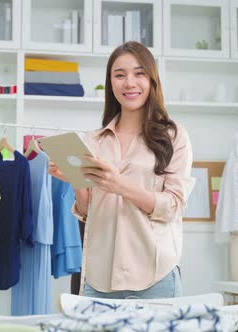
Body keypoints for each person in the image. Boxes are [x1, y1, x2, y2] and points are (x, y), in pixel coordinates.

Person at [48, 41, 195, 299]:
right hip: (99, 280)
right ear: (110, 83)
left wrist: (120, 185)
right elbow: (87, 212)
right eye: (119, 75)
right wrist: (75, 180)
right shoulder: (93, 140)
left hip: (155, 278)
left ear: (152, 80)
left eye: (139, 73)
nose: (129, 83)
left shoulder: (174, 136)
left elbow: (173, 206)